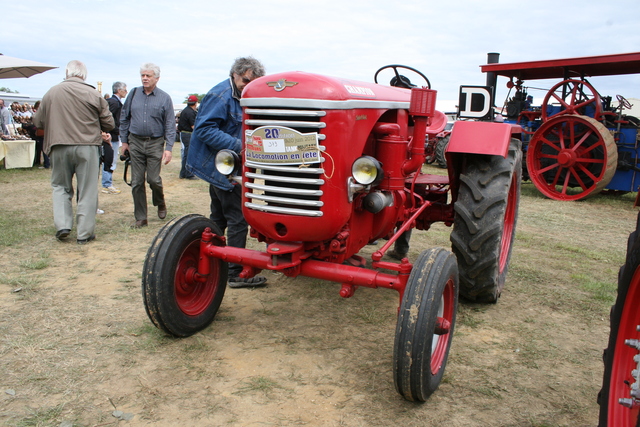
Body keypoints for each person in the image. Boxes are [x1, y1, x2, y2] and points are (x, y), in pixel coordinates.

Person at [187, 56, 267, 288]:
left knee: (219, 217)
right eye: (245, 80)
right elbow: (204, 130)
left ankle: (211, 260)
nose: (248, 85)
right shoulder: (220, 95)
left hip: (227, 165)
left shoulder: (243, 94)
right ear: (235, 74)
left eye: (253, 82)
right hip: (222, 166)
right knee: (238, 218)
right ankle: (234, 273)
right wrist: (241, 146)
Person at [33, 60, 114, 244]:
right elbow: (109, 123)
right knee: (87, 189)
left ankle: (63, 225)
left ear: (67, 73)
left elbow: (38, 122)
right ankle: (84, 233)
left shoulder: (51, 92)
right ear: (83, 75)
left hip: (58, 146)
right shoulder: (93, 93)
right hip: (87, 147)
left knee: (60, 187)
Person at [119, 63, 175, 229]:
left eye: (148, 75)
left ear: (156, 78)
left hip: (155, 142)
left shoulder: (164, 98)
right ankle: (141, 217)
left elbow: (170, 125)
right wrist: (124, 141)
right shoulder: (134, 93)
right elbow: (124, 118)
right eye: (143, 75)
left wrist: (169, 148)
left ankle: (160, 201)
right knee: (136, 181)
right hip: (135, 141)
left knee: (153, 179)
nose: (144, 78)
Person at [101, 81, 128, 194]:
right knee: (109, 160)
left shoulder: (116, 102)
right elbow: (107, 119)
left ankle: (108, 182)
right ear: (119, 90)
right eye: (125, 90)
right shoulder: (113, 103)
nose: (126, 92)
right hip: (110, 136)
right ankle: (107, 184)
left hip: (113, 135)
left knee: (111, 160)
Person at [178, 95, 198, 179]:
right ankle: (189, 174)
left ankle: (183, 173)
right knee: (190, 154)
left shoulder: (185, 111)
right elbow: (193, 126)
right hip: (188, 134)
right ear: (196, 103)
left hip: (184, 134)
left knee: (186, 154)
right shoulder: (191, 112)